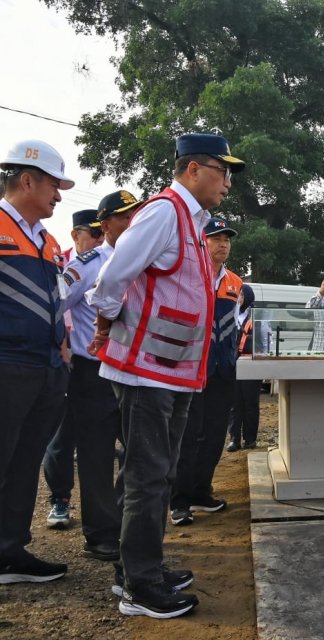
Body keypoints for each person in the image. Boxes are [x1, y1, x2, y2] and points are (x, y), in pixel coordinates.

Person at [86, 133, 244, 618]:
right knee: (147, 476)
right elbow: (111, 277)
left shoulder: (190, 223)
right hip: (144, 371)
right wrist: (109, 321)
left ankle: (139, 568)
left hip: (168, 372)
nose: (229, 182)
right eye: (223, 170)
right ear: (194, 168)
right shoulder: (163, 213)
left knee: (155, 473)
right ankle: (141, 585)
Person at [43, 190, 141, 561]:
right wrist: (61, 347)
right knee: (96, 454)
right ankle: (101, 534)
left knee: (140, 451)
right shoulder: (88, 264)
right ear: (106, 224)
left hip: (134, 369)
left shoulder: (144, 262)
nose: (132, 222)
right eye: (124, 217)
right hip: (94, 372)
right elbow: (55, 301)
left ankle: (123, 520)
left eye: (136, 216)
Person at [0, 139, 74, 584]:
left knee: (25, 463)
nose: (59, 196)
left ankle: (10, 551)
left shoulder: (46, 241)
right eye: (53, 185)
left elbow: (55, 300)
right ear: (27, 180)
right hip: (6, 364)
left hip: (44, 368)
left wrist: (62, 344)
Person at [170, 216, 242, 526]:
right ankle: (179, 500)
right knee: (188, 437)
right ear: (203, 242)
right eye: (216, 238)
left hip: (222, 372)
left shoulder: (236, 284)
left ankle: (201, 492)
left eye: (227, 239)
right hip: (190, 367)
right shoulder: (189, 276)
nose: (223, 243)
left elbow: (239, 325)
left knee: (213, 436)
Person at [43, 207, 105, 529]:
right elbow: (53, 307)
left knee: (99, 439)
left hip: (99, 366)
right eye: (91, 233)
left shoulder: (105, 262)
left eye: (101, 233)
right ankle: (60, 498)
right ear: (75, 235)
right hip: (69, 363)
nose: (97, 239)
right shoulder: (63, 264)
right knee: (62, 435)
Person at [227, 284, 265, 452]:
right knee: (234, 404)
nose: (239, 298)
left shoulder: (257, 316)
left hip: (251, 365)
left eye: (241, 295)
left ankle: (250, 439)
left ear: (248, 296)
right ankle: (234, 439)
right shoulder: (231, 315)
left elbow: (265, 342)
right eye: (237, 294)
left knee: (250, 403)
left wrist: (263, 364)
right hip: (232, 366)